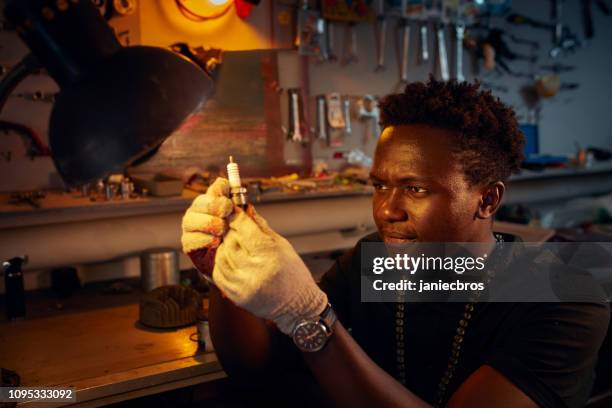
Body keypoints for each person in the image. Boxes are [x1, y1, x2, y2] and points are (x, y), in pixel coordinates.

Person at [181, 78, 610, 407]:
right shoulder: (375, 265)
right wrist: (225, 274)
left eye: (417, 189)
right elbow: (256, 371)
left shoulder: (564, 298)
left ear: (487, 198)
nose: (387, 209)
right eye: (379, 186)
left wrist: (309, 317)